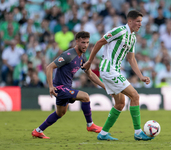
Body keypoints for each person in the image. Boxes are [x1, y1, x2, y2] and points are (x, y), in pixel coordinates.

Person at [82, 10, 154, 141]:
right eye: (138, 21)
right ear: (130, 21)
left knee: (120, 103)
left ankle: (103, 134)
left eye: (141, 22)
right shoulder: (119, 31)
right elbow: (99, 42)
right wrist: (90, 62)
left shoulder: (132, 37)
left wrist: (141, 76)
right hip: (109, 69)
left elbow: (131, 59)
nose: (140, 24)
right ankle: (138, 132)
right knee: (135, 96)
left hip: (115, 71)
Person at [32, 31, 105, 139]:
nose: (85, 45)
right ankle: (90, 125)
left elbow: (90, 74)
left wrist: (104, 86)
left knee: (60, 113)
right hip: (60, 88)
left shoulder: (82, 57)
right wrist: (51, 86)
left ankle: (38, 131)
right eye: (83, 42)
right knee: (85, 97)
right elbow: (49, 67)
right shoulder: (68, 55)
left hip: (67, 87)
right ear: (77, 41)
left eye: (87, 42)